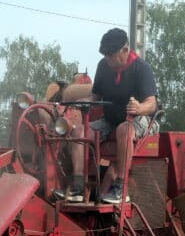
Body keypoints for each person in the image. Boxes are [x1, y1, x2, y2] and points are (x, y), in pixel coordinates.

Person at [53, 28, 159, 203]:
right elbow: (95, 96)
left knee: (124, 129)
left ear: (125, 50)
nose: (107, 59)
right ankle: (78, 187)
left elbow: (152, 103)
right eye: (105, 55)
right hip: (109, 120)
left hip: (139, 119)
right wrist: (83, 101)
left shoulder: (141, 68)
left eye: (111, 55)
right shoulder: (103, 66)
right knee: (79, 132)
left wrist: (139, 107)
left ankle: (120, 187)